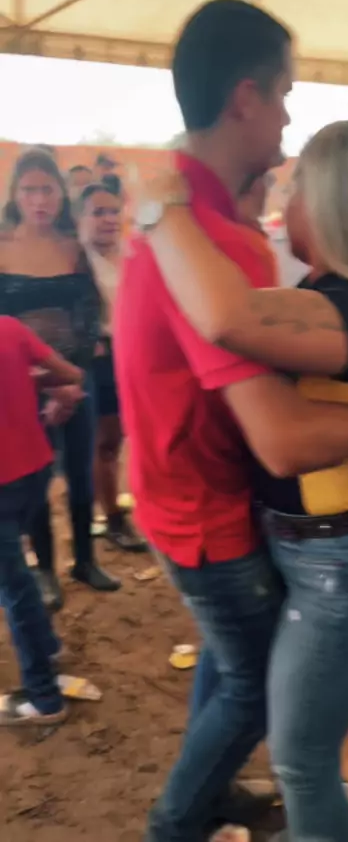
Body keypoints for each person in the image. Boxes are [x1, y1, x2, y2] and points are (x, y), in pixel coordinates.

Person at [139, 117, 348, 842]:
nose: (283, 204)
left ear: (329, 201)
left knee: (301, 760)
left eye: (294, 190)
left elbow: (227, 319)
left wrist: (160, 210)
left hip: (345, 566)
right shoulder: (342, 294)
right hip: (325, 554)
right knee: (267, 712)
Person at [114, 0, 348, 842]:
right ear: (246, 98)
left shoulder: (166, 209)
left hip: (172, 489)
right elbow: (282, 439)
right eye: (285, 94)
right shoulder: (212, 243)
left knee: (231, 664)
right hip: (205, 510)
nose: (289, 118)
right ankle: (177, 823)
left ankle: (208, 792)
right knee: (255, 684)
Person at [0, 147, 120, 612]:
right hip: (20, 386)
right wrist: (44, 381)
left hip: (77, 380)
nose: (39, 199)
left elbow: (88, 316)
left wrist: (72, 380)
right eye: (29, 189)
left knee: (80, 474)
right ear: (15, 194)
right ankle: (46, 569)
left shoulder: (74, 246)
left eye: (47, 189)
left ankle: (86, 560)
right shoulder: (3, 247)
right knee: (35, 479)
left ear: (60, 194)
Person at [0, 315, 83, 725]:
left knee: (14, 589)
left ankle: (44, 698)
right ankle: (48, 646)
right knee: (17, 576)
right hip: (34, 468)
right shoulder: (8, 328)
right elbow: (71, 374)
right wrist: (32, 381)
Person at [76, 182, 146, 552]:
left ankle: (141, 506)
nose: (108, 219)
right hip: (100, 361)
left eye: (113, 211)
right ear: (80, 218)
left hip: (138, 355)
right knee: (105, 443)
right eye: (98, 212)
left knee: (136, 437)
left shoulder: (134, 252)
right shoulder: (75, 262)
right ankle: (113, 518)